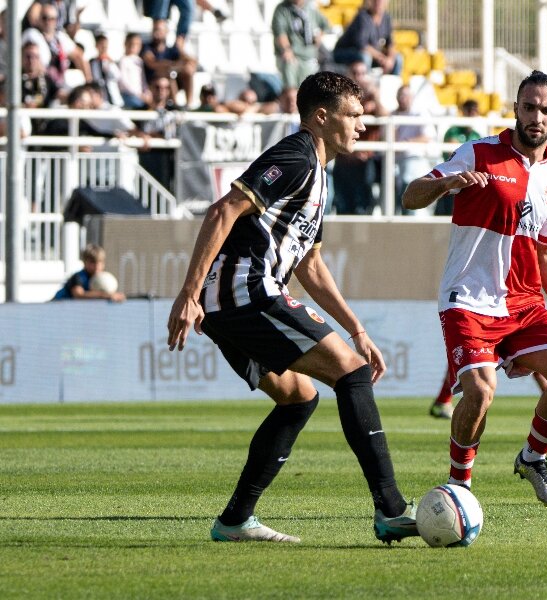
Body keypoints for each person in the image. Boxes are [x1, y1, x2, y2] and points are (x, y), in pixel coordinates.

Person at [166, 71, 418, 544]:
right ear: (322, 117)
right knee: (351, 372)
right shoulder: (296, 156)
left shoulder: (320, 176)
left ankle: (236, 520)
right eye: (354, 116)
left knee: (299, 398)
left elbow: (311, 265)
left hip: (237, 299)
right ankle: (392, 508)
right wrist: (188, 293)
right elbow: (223, 210)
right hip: (245, 291)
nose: (362, 126)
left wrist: (356, 327)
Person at [402, 70, 547, 508]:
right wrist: (446, 183)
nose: (537, 117)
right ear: (516, 108)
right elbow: (410, 196)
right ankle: (460, 487)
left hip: (525, 303)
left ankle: (533, 457)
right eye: (529, 107)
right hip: (468, 299)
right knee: (481, 390)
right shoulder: (478, 152)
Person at [331, 61, 386, 214]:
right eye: (355, 73)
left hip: (364, 161)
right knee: (343, 206)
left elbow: (385, 117)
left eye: (362, 73)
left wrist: (375, 97)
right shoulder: (341, 99)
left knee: (363, 207)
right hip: (344, 160)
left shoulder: (372, 100)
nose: (358, 77)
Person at [429, 369, 547, 419]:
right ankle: (442, 402)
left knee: (532, 353)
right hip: (483, 310)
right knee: (463, 362)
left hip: (503, 309)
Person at [21, 2, 91, 88]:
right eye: (44, 18)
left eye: (52, 19)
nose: (48, 22)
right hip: (38, 84)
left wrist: (88, 83)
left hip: (57, 84)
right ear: (39, 19)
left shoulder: (59, 37)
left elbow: (78, 55)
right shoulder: (31, 34)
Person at [435, 99, 483, 216]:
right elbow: (454, 156)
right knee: (445, 218)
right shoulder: (453, 131)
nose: (472, 114)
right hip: (451, 180)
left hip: (469, 184)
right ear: (464, 112)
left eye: (475, 111)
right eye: (470, 111)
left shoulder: (476, 135)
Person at [393, 84, 436, 212]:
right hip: (395, 166)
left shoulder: (420, 113)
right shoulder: (393, 115)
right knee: (395, 206)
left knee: (412, 207)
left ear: (412, 97)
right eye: (400, 95)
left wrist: (406, 142)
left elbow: (427, 136)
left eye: (406, 95)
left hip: (414, 164)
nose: (403, 98)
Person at [271, 0, 331, 89]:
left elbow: (325, 24)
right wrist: (287, 50)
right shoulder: (282, 9)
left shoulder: (311, 8)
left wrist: (319, 36)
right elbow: (280, 33)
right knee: (291, 88)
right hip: (293, 56)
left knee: (308, 89)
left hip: (309, 56)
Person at [332, 0, 401, 76]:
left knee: (397, 58)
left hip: (370, 54)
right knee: (365, 57)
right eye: (375, 0)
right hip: (344, 52)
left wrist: (390, 59)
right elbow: (361, 45)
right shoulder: (362, 17)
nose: (378, 2)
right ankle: (366, 84)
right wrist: (381, 58)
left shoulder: (386, 18)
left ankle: (392, 84)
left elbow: (390, 44)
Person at [141, 18, 197, 108]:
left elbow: (193, 62)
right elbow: (152, 63)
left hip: (171, 80)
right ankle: (175, 105)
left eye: (159, 30)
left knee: (188, 70)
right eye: (155, 29)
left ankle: (188, 105)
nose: (156, 33)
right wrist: (173, 65)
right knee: (168, 73)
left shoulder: (172, 50)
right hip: (154, 81)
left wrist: (181, 49)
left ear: (166, 31)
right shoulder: (147, 47)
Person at [53, 244, 126, 302]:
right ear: (85, 262)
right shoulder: (79, 277)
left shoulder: (103, 279)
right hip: (55, 306)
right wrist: (105, 295)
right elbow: (79, 295)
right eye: (93, 262)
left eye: (100, 262)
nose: (97, 266)